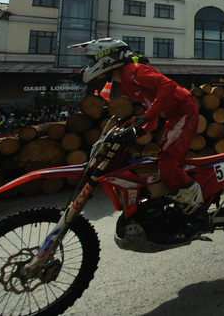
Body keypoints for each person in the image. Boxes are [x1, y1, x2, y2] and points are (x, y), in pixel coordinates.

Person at [68, 38, 203, 220]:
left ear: (107, 58)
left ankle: (198, 212)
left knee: (169, 165)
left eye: (93, 61)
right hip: (173, 115)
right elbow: (151, 108)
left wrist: (147, 118)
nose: (91, 66)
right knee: (156, 162)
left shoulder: (134, 71)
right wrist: (141, 128)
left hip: (184, 111)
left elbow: (167, 86)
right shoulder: (125, 84)